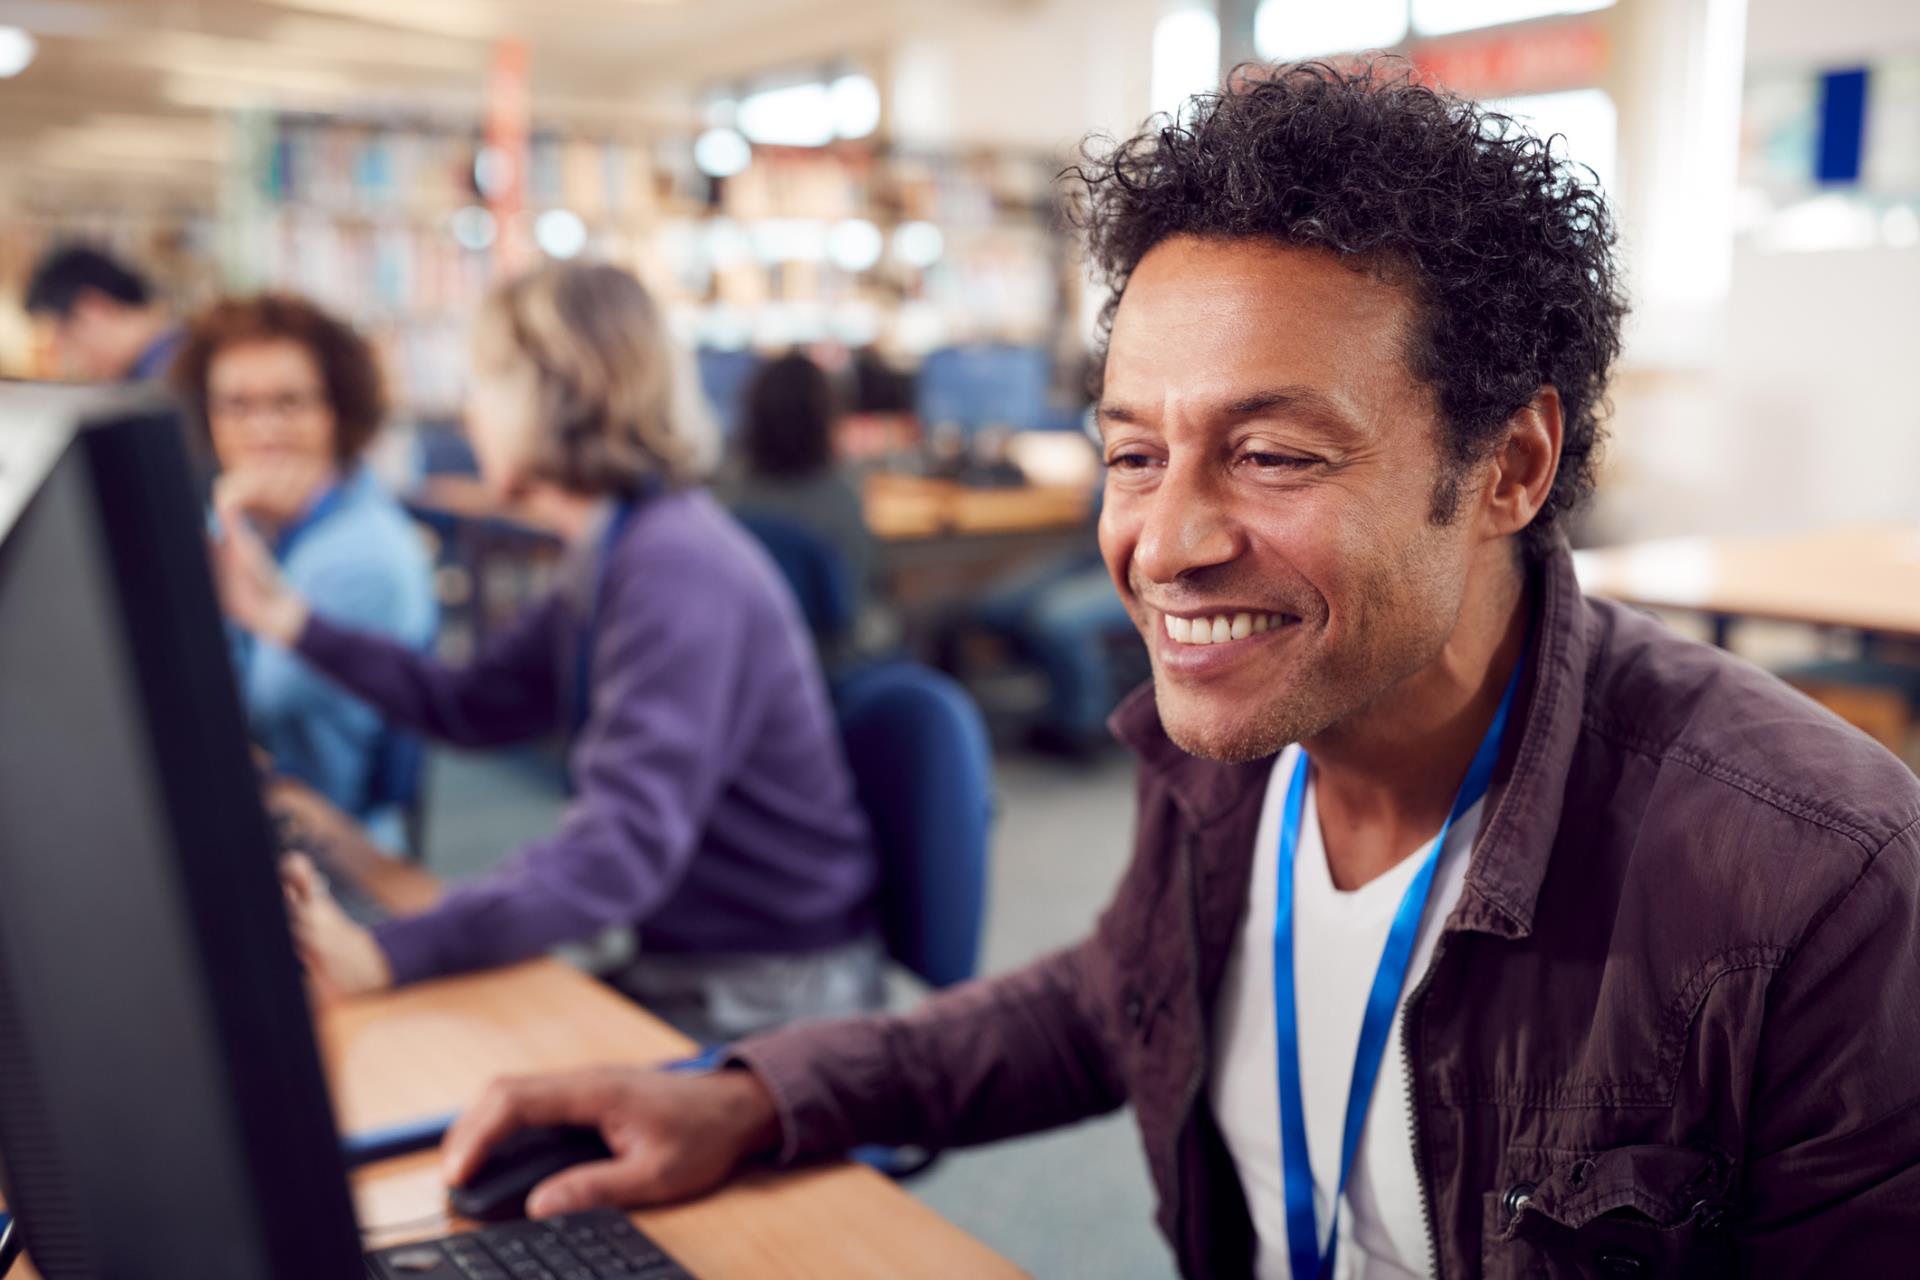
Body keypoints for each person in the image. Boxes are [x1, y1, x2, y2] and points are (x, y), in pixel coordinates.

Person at [434, 61, 1920, 1273]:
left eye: (1272, 454)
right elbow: (1123, 995)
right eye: (1134, 452)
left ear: (1511, 465)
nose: (1168, 542)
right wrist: (754, 1099)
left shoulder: (1812, 889)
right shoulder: (1240, 741)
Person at [215, 262, 880, 1043]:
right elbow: (469, 704)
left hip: (769, 993)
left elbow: (616, 854)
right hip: (687, 955)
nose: (468, 412)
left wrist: (384, 951)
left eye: (484, 384)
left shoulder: (674, 570)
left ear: (555, 393)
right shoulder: (616, 547)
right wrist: (287, 618)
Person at [174, 293, 437, 843]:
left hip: (338, 854)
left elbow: (239, 708)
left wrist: (227, 520)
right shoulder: (264, 523)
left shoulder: (363, 550)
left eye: (289, 403)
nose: (262, 430)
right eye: (237, 406)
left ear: (337, 412)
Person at [719, 352, 875, 625]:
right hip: (834, 657)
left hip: (757, 653)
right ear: (826, 419)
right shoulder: (840, 502)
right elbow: (856, 594)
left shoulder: (729, 500)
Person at [25, 244, 182, 382]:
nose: (72, 362)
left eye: (66, 341)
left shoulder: (170, 371)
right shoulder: (155, 366)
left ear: (93, 309)